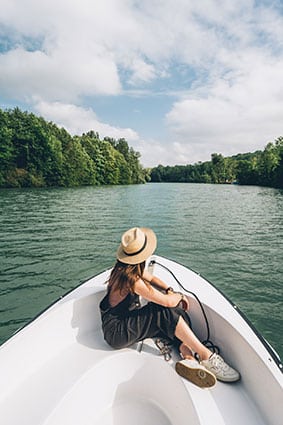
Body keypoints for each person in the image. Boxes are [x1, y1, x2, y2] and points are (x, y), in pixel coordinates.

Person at [100, 227, 240, 388]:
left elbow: (152, 278)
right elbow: (166, 302)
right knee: (163, 312)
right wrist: (179, 296)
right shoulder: (131, 279)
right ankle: (206, 356)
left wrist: (168, 289)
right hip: (117, 333)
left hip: (125, 323)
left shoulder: (125, 269)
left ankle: (189, 358)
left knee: (176, 316)